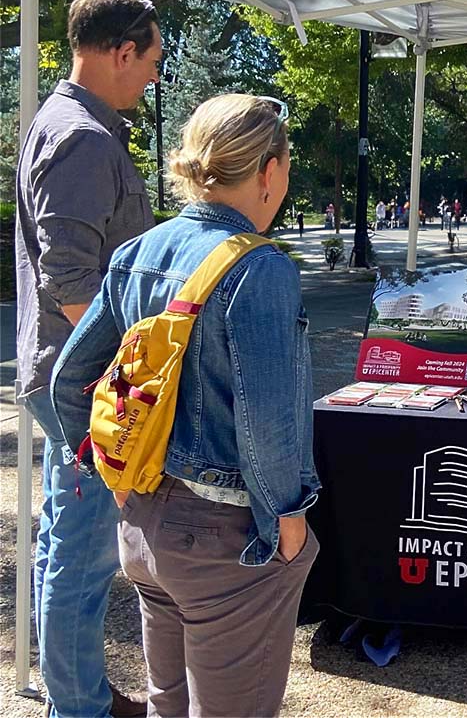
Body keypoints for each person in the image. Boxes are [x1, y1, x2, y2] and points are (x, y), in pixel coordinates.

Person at [51, 95, 319, 716]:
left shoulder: (135, 254)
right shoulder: (261, 268)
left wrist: (105, 473)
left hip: (143, 525)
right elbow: (267, 424)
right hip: (225, 539)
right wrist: (288, 523)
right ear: (268, 170)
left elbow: (69, 381)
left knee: (168, 703)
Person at [16, 0, 161, 718]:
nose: (155, 76)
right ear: (121, 51)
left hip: (67, 370)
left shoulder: (67, 122)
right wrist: (126, 372)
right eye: (153, 59)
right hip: (84, 379)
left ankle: (76, 695)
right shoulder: (83, 136)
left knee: (64, 546)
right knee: (83, 555)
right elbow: (71, 279)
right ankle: (78, 709)